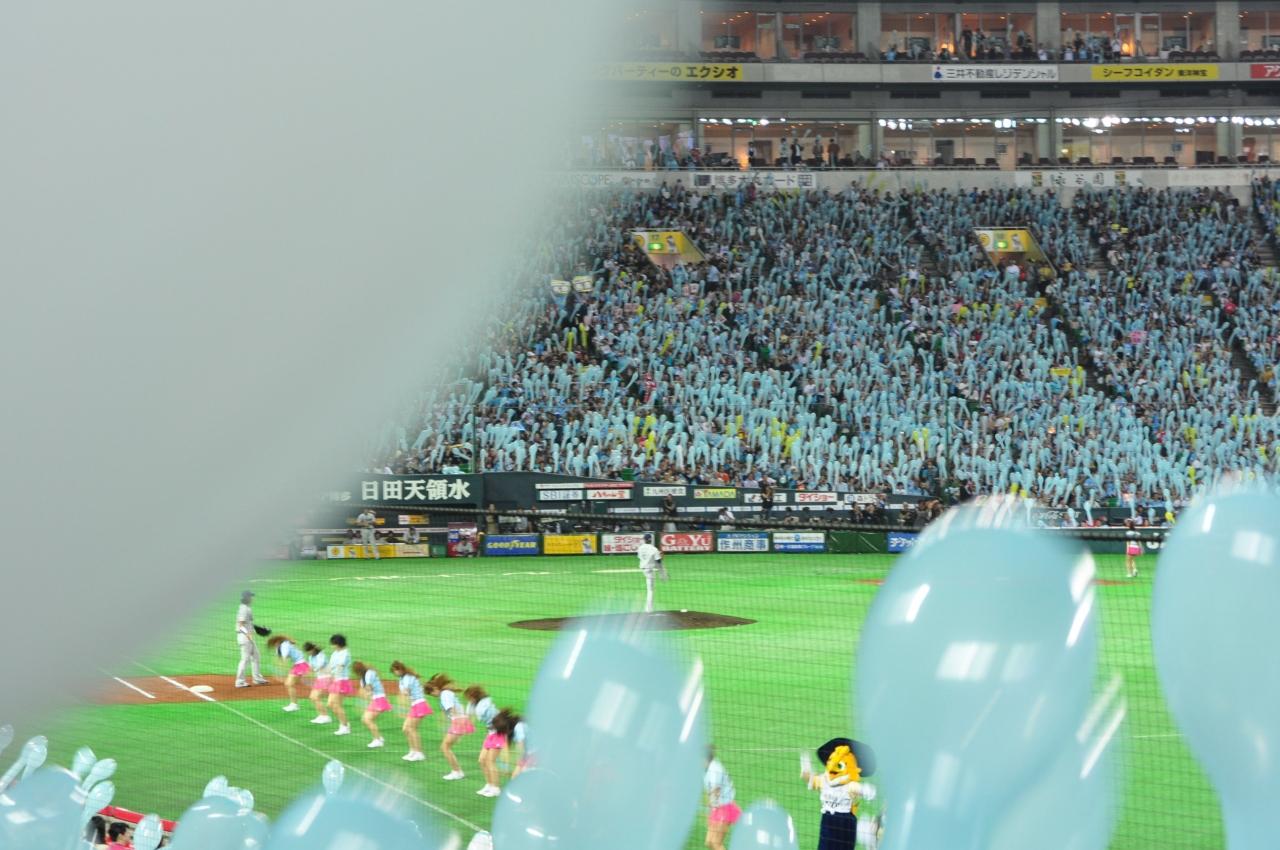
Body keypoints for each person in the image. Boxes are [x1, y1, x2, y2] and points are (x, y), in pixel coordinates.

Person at [426, 673, 472, 780]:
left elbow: (452, 709)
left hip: (458, 721)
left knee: (444, 747)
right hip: (460, 720)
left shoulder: (444, 695)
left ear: (435, 689)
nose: (433, 695)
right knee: (446, 746)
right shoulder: (446, 692)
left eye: (432, 693)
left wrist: (456, 724)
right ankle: (457, 771)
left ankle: (457, 772)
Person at [390, 660, 433, 762]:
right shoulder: (402, 678)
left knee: (412, 728)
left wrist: (401, 704)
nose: (394, 673)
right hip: (415, 705)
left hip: (420, 704)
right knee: (406, 729)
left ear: (399, 669)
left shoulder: (408, 678)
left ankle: (419, 753)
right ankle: (412, 751)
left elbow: (406, 692)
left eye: (394, 671)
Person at [467, 685, 502, 797]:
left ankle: (496, 788)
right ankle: (489, 785)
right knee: (482, 760)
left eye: (469, 697)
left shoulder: (485, 706)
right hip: (491, 734)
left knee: (490, 761)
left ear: (474, 696)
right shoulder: (476, 704)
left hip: (499, 733)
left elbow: (480, 716)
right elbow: (469, 714)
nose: (468, 700)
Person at [704, 746, 741, 850]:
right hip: (718, 808)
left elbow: (716, 790)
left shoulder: (714, 769)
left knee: (716, 843)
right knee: (709, 842)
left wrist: (710, 805)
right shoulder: (706, 767)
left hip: (724, 808)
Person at [266, 634, 310, 712]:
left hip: (301, 665)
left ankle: (294, 705)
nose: (273, 646)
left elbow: (284, 658)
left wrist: (281, 669)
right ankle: (294, 704)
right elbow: (280, 658)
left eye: (273, 643)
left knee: (289, 684)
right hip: (298, 665)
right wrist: (278, 665)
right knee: (289, 684)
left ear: (277, 642)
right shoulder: (281, 646)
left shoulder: (284, 645)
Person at [234, 590, 269, 688]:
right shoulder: (244, 609)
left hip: (248, 637)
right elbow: (240, 625)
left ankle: (257, 679)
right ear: (247, 598)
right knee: (245, 659)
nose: (252, 598)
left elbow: (248, 624)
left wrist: (257, 628)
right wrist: (247, 634)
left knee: (256, 656)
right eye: (251, 596)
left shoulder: (247, 608)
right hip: (244, 637)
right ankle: (240, 682)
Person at [352, 661, 389, 749]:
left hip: (380, 699)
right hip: (375, 700)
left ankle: (378, 740)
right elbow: (366, 689)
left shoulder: (369, 673)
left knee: (367, 719)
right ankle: (379, 737)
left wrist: (368, 693)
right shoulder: (363, 678)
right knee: (364, 719)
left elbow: (368, 687)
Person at [325, 634, 353, 736]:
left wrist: (333, 675)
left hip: (342, 681)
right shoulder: (335, 653)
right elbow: (330, 666)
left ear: (338, 644)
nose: (332, 646)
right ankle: (345, 723)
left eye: (333, 644)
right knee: (330, 704)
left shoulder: (345, 654)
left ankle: (344, 727)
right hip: (335, 680)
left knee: (337, 705)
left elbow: (340, 667)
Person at [637, 532, 668, 614]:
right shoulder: (654, 549)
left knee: (650, 588)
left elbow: (640, 557)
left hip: (643, 569)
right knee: (650, 590)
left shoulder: (640, 548)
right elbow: (658, 561)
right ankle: (648, 609)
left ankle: (663, 576)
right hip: (650, 570)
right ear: (651, 540)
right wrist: (661, 557)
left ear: (644, 540)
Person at [493, 708, 529, 778]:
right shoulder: (513, 727)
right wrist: (506, 766)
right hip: (531, 752)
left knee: (518, 776)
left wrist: (519, 763)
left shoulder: (519, 728)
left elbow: (521, 748)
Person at [304, 641, 331, 724]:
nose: (308, 653)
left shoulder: (321, 655)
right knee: (312, 697)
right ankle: (321, 715)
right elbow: (310, 666)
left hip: (327, 677)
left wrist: (314, 670)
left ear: (312, 649)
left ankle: (325, 717)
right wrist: (306, 670)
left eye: (309, 651)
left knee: (315, 697)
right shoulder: (311, 657)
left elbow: (321, 664)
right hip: (320, 678)